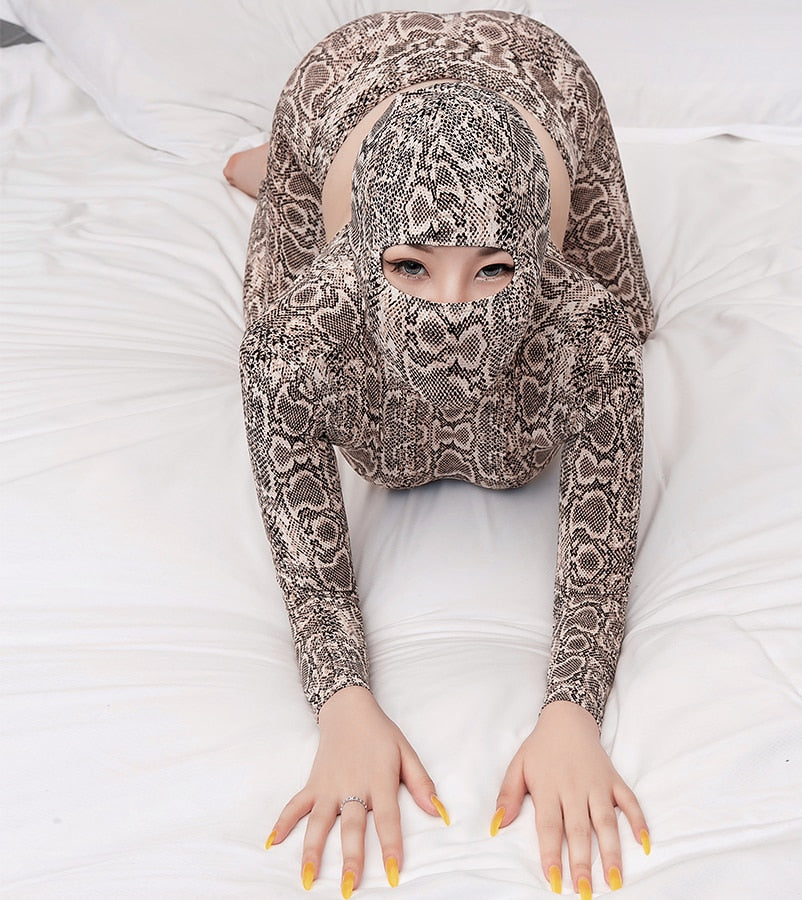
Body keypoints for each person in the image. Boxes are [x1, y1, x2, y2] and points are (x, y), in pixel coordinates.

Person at [234, 10, 655, 898]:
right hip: (346, 84)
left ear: (536, 261)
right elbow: (307, 560)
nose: (454, 312)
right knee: (271, 284)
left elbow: (602, 542)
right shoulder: (294, 336)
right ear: (362, 255)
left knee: (637, 313)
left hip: (537, 77)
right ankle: (284, 170)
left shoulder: (588, 328)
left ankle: (445, 236)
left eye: (495, 269)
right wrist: (342, 703)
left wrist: (573, 712)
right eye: (410, 267)